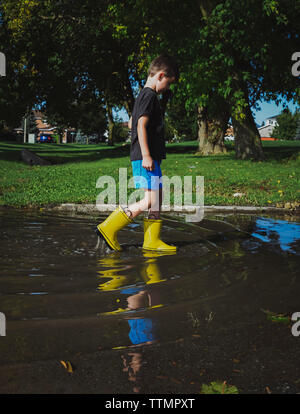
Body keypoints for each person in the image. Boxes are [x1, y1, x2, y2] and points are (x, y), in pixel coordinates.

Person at [96, 54, 179, 252]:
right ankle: (108, 227)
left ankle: (152, 241)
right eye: (168, 83)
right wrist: (147, 155)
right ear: (160, 76)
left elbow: (135, 122)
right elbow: (140, 125)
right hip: (145, 158)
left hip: (149, 157)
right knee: (150, 199)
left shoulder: (145, 96)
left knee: (157, 197)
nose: (167, 88)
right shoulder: (149, 95)